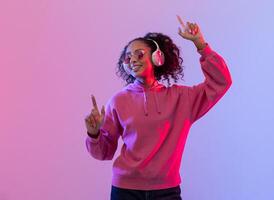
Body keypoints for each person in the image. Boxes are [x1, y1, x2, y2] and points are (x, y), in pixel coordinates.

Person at [84, 16, 232, 200]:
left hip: (167, 191)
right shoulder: (118, 101)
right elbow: (104, 153)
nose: (132, 60)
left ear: (157, 57)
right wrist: (94, 134)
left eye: (138, 54)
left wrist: (201, 45)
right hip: (125, 190)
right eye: (127, 57)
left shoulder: (182, 98)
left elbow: (221, 81)